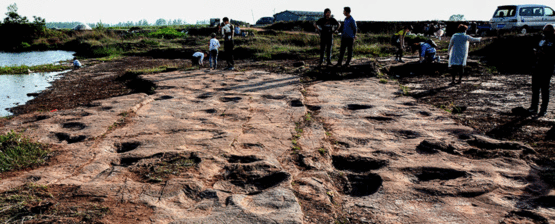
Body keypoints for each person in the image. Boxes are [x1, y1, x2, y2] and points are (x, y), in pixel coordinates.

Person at [528, 24, 555, 116]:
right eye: (544, 30)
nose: (545, 31)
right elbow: (536, 47)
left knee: (544, 89)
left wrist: (545, 53)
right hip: (537, 66)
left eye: (547, 30)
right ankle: (533, 107)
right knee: (535, 89)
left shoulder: (553, 40)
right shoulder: (542, 39)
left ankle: (543, 110)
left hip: (547, 67)